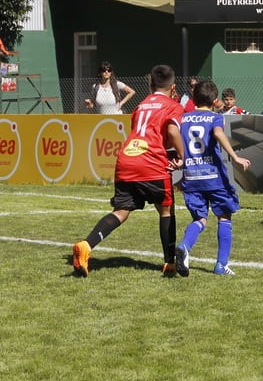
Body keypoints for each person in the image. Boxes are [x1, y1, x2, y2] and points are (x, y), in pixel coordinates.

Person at [72, 64, 185, 277]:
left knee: (121, 212)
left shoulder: (141, 106)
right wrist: (181, 156)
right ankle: (169, 263)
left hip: (126, 159)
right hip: (151, 163)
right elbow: (171, 131)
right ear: (173, 87)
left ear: (151, 84)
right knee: (166, 210)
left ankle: (87, 245)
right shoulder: (172, 105)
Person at [174, 80, 251, 277]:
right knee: (224, 217)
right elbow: (217, 133)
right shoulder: (215, 118)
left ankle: (184, 245)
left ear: (193, 98)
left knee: (200, 219)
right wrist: (235, 157)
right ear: (215, 100)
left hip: (191, 177)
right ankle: (221, 265)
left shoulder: (183, 119)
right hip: (214, 177)